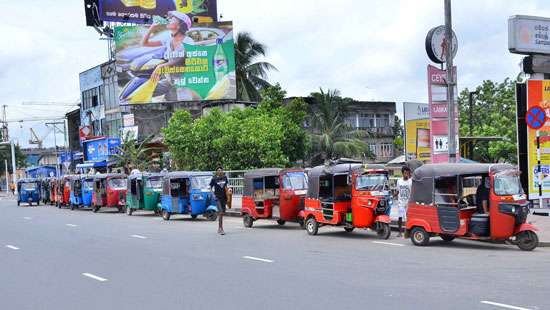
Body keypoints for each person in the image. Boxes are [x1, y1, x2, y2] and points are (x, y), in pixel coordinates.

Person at [142, 11, 195, 101]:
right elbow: (145, 43)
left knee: (184, 107)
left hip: (183, 82)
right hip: (169, 81)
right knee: (145, 91)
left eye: (172, 19)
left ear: (180, 25)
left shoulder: (188, 41)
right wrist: (152, 28)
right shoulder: (168, 39)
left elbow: (183, 58)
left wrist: (162, 66)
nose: (169, 20)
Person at [210, 166, 230, 235]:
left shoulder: (225, 178)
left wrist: (229, 193)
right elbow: (210, 188)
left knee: (223, 212)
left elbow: (226, 187)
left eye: (221, 170)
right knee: (221, 212)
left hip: (223, 198)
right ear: (216, 171)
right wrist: (213, 195)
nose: (220, 171)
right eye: (218, 170)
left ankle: (219, 227)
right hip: (217, 198)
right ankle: (220, 228)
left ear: (222, 171)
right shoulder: (214, 179)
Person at [396, 166, 412, 237]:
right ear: (402, 173)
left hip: (408, 202)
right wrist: (393, 195)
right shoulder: (399, 181)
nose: (406, 175)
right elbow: (397, 191)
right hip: (401, 202)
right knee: (400, 217)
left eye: (407, 173)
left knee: (408, 217)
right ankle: (399, 232)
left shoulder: (411, 181)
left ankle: (407, 231)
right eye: (405, 173)